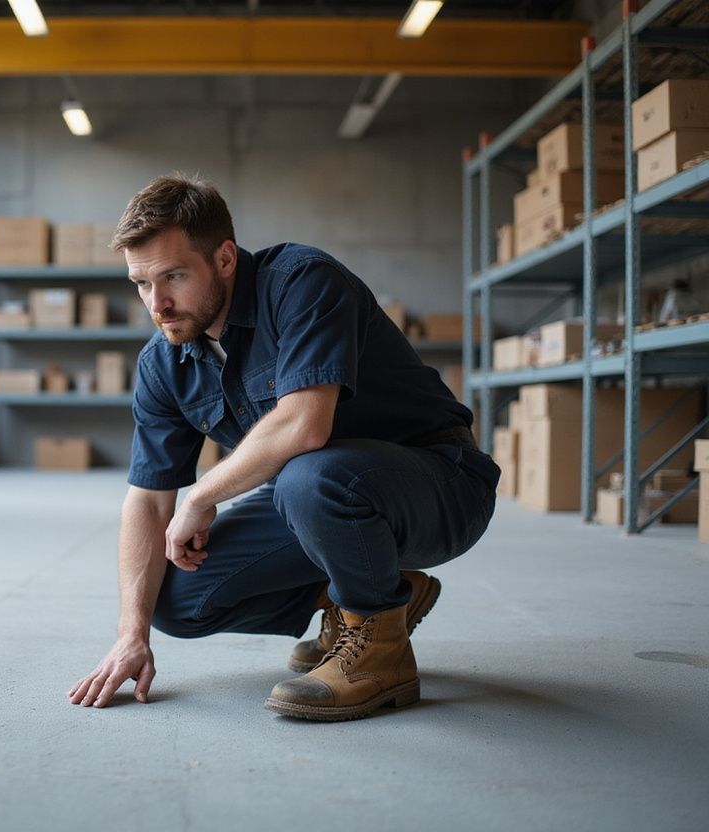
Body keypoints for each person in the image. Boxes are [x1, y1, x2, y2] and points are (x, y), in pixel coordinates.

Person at [67, 174, 500, 721]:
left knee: (309, 475)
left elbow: (304, 426)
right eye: (141, 283)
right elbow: (148, 500)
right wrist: (131, 634)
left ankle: (380, 652)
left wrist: (201, 496)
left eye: (174, 276)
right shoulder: (164, 361)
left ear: (224, 258)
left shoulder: (301, 282)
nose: (158, 303)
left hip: (441, 486)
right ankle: (380, 594)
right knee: (173, 599)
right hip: (317, 507)